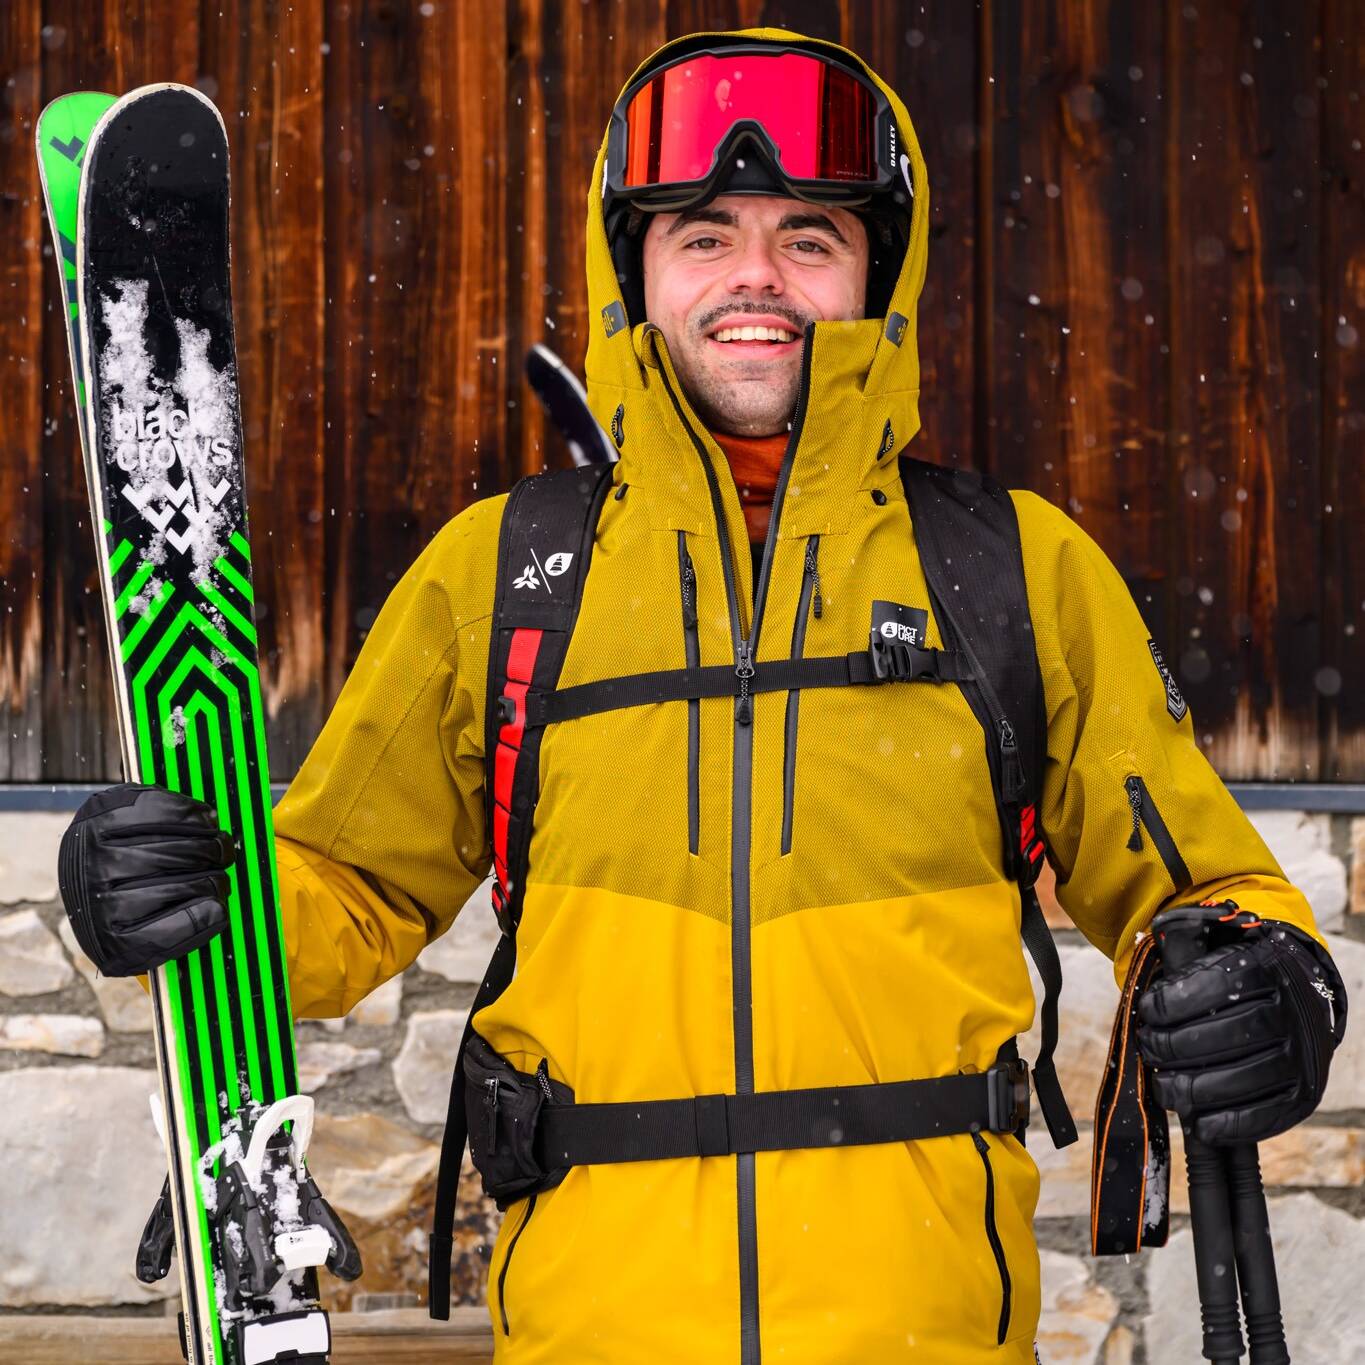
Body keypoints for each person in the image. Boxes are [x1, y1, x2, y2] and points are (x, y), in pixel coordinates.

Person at [58, 28, 1345, 1364]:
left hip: (922, 1336)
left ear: (873, 277)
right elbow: (346, 885)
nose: (754, 276)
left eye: (807, 236)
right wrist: (193, 890)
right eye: (702, 234)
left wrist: (1272, 981)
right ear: (638, 275)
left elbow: (1198, 883)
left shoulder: (1010, 567)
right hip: (594, 1334)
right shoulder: (506, 574)